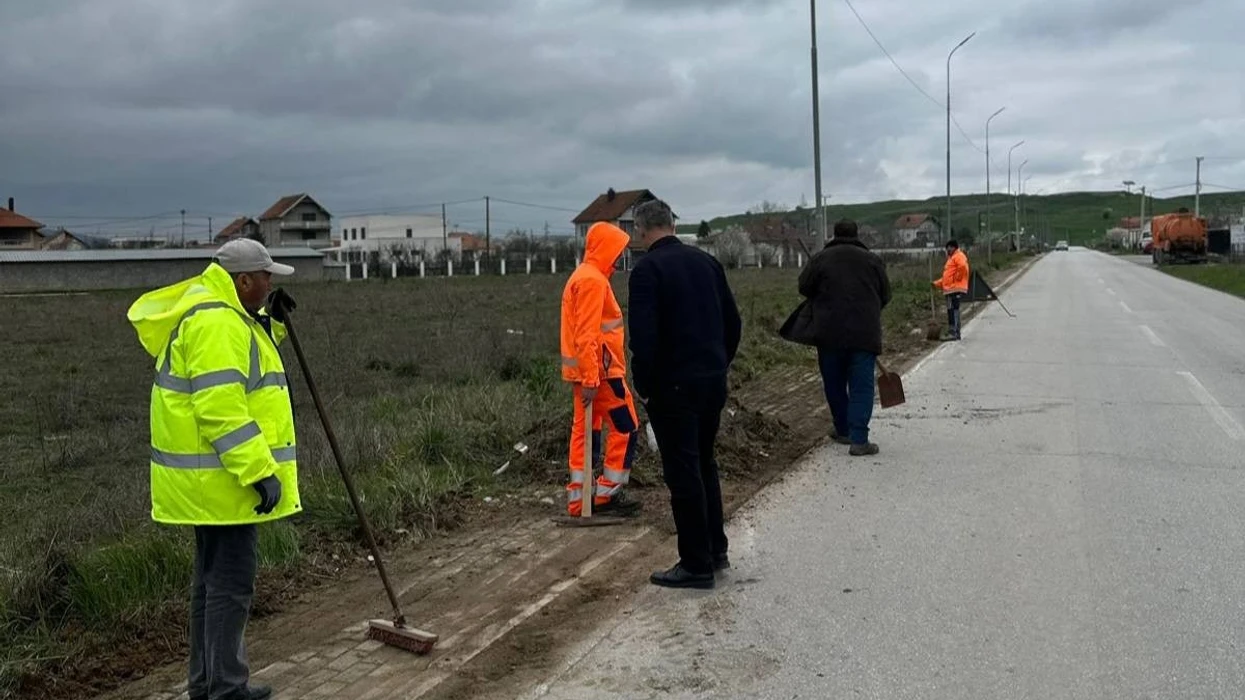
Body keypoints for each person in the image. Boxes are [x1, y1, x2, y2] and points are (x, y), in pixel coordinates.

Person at [127, 238, 302, 700]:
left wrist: (271, 323)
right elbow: (220, 408)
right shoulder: (218, 322)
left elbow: (243, 367)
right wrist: (260, 470)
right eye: (265, 278)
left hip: (208, 484)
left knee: (210, 584)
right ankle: (225, 688)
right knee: (230, 585)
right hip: (223, 483)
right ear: (243, 280)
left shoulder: (217, 313)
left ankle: (206, 683)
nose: (270, 284)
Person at [629, 199, 742, 590]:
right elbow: (733, 322)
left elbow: (643, 340)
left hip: (673, 387)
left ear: (642, 231)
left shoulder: (646, 271)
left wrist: (644, 386)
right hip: (711, 381)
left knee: (683, 472)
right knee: (705, 463)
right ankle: (716, 549)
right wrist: (719, 363)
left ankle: (695, 564)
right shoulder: (707, 263)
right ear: (672, 225)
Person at [559, 221, 642, 517]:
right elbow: (587, 334)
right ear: (606, 250)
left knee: (585, 430)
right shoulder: (593, 281)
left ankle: (580, 499)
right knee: (626, 427)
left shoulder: (582, 276)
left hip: (587, 374)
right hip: (602, 374)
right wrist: (593, 377)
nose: (620, 259)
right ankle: (606, 495)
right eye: (618, 252)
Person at [796, 219, 891, 456]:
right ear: (856, 234)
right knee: (861, 386)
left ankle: (843, 429)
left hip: (828, 333)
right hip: (864, 334)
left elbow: (804, 287)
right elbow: (886, 294)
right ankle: (859, 439)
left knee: (834, 382)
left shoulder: (820, 259)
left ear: (834, 234)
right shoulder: (873, 260)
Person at [933, 239, 970, 340]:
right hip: (951, 288)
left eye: (949, 247)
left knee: (952, 310)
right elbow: (947, 278)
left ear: (954, 247)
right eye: (947, 248)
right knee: (954, 309)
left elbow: (962, 267)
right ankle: (956, 332)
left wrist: (957, 278)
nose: (947, 250)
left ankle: (953, 332)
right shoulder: (952, 258)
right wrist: (936, 284)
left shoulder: (958, 256)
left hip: (954, 288)